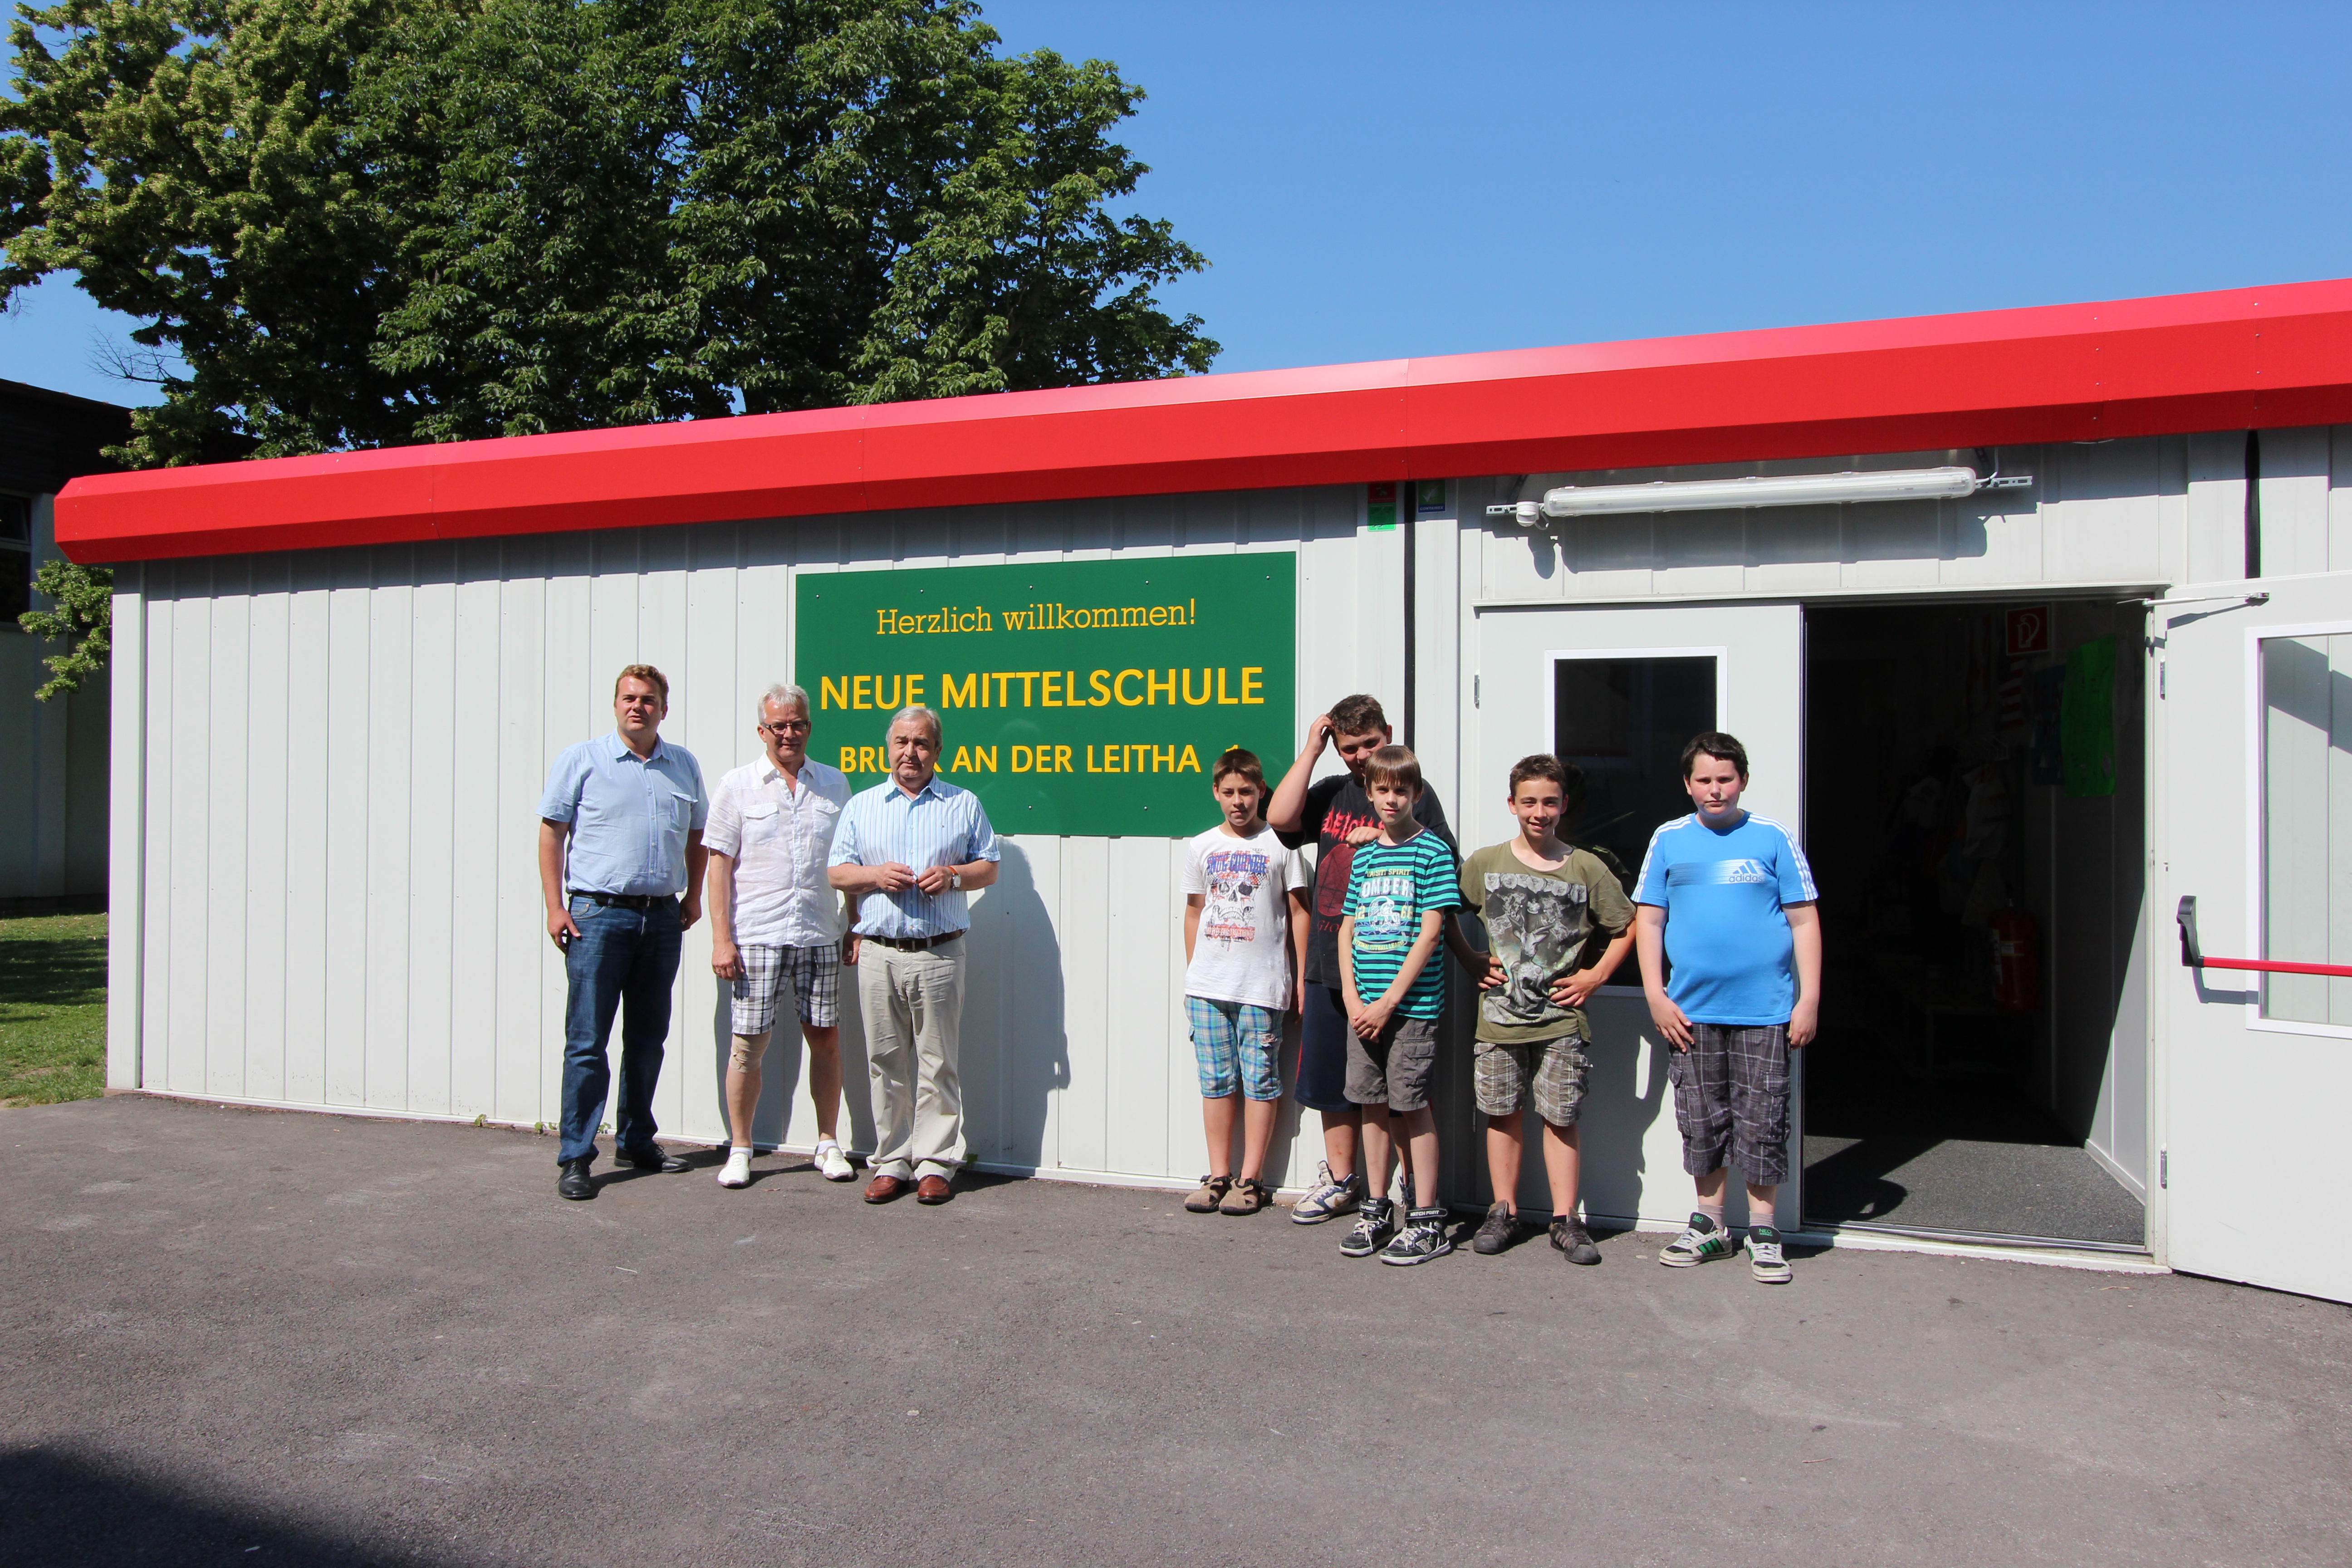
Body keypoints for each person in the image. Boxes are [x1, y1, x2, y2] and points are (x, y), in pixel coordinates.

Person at [1268, 694, 1479, 1225]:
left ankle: (1412, 1190)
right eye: (1349, 748)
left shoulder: (1411, 795)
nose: (1361, 756)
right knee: (1336, 1084)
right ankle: (1344, 1182)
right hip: (1329, 961)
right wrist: (1313, 750)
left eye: (1370, 744)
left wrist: (1468, 958)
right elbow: (1280, 817)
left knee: (1400, 1088)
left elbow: (1440, 891)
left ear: (1389, 733)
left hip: (1393, 972)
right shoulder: (1335, 792)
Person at [1632, 731, 1821, 1284]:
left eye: (1726, 779)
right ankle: (1711, 1224)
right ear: (1688, 784)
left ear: (1742, 780)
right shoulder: (1668, 839)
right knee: (1702, 1117)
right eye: (1704, 780)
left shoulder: (1772, 838)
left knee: (1762, 1118)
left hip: (1766, 1009)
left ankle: (1764, 1230)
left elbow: (1804, 919)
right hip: (1690, 1012)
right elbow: (1648, 919)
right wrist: (1655, 995)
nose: (1715, 790)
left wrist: (1808, 999)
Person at [537, 665, 708, 1201]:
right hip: (598, 916)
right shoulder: (583, 760)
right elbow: (551, 833)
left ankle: (637, 1140)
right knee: (588, 1042)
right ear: (616, 705)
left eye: (649, 699)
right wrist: (554, 907)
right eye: (630, 698)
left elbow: (699, 834)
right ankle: (576, 1156)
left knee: (647, 1038)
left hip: (660, 918)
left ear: (664, 708)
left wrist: (694, 896)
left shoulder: (682, 765)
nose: (639, 706)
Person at [1456, 755, 1635, 1265]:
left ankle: (1565, 1219)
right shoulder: (1486, 862)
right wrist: (1471, 960)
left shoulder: (1586, 867)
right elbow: (1446, 911)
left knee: (1560, 1117)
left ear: (1564, 805)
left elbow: (1628, 925)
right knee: (1501, 1114)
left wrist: (1596, 976)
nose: (1540, 812)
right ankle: (1503, 1211)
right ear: (1511, 805)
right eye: (1529, 802)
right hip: (1499, 1020)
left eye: (1550, 802)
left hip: (1560, 1021)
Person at [826, 706, 1000, 1206]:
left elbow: (988, 867)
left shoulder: (963, 804)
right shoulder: (862, 806)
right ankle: (891, 1161)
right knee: (885, 1062)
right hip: (879, 952)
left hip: (939, 952)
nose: (911, 753)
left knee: (937, 1062)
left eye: (922, 743)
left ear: (937, 751)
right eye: (902, 742)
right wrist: (876, 876)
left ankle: (935, 1163)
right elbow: (838, 872)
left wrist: (952, 877)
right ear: (889, 748)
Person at [705, 684, 857, 1189]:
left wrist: (852, 923)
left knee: (827, 1042)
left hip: (818, 933)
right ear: (762, 731)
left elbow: (848, 863)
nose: (788, 733)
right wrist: (721, 939)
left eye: (797, 724)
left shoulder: (835, 785)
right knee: (747, 1046)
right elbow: (719, 867)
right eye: (778, 726)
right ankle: (742, 1148)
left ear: (808, 727)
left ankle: (828, 1143)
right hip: (757, 937)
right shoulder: (737, 785)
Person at [1334, 745, 1462, 1264]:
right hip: (1362, 1007)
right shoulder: (1364, 854)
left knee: (1411, 1105)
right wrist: (1352, 996)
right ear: (1369, 793)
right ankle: (1377, 1206)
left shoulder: (1430, 852)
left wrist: (1389, 1001)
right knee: (1371, 1103)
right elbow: (1347, 928)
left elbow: (1431, 933)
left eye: (1402, 790)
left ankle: (1427, 1218)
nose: (1392, 799)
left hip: (1410, 1008)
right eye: (1383, 789)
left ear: (1417, 793)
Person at [1180, 749, 1310, 1217]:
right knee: (1215, 1081)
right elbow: (1195, 911)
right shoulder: (1201, 846)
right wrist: (1195, 971)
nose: (1239, 802)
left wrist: (1299, 978)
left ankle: (1251, 1179)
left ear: (1260, 793)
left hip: (1262, 986)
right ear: (1216, 793)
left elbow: (1299, 911)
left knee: (1260, 1080)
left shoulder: (1282, 845)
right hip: (1209, 987)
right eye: (1230, 793)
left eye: (1247, 792)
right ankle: (1219, 1174)